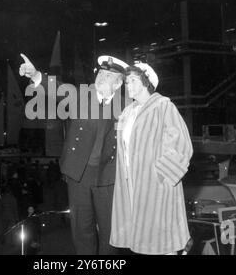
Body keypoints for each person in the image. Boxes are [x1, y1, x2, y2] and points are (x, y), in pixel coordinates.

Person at [20, 53, 130, 255]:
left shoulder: (127, 105)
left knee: (110, 232)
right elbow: (57, 89)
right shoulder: (81, 95)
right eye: (101, 73)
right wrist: (35, 74)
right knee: (81, 230)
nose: (101, 77)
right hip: (78, 173)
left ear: (118, 83)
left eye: (108, 76)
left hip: (109, 175)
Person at [110, 61, 193, 255]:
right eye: (126, 81)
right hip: (132, 184)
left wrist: (161, 175)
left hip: (157, 185)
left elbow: (181, 145)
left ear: (146, 82)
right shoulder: (127, 113)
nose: (127, 85)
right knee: (143, 239)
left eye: (132, 80)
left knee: (163, 242)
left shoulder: (163, 106)